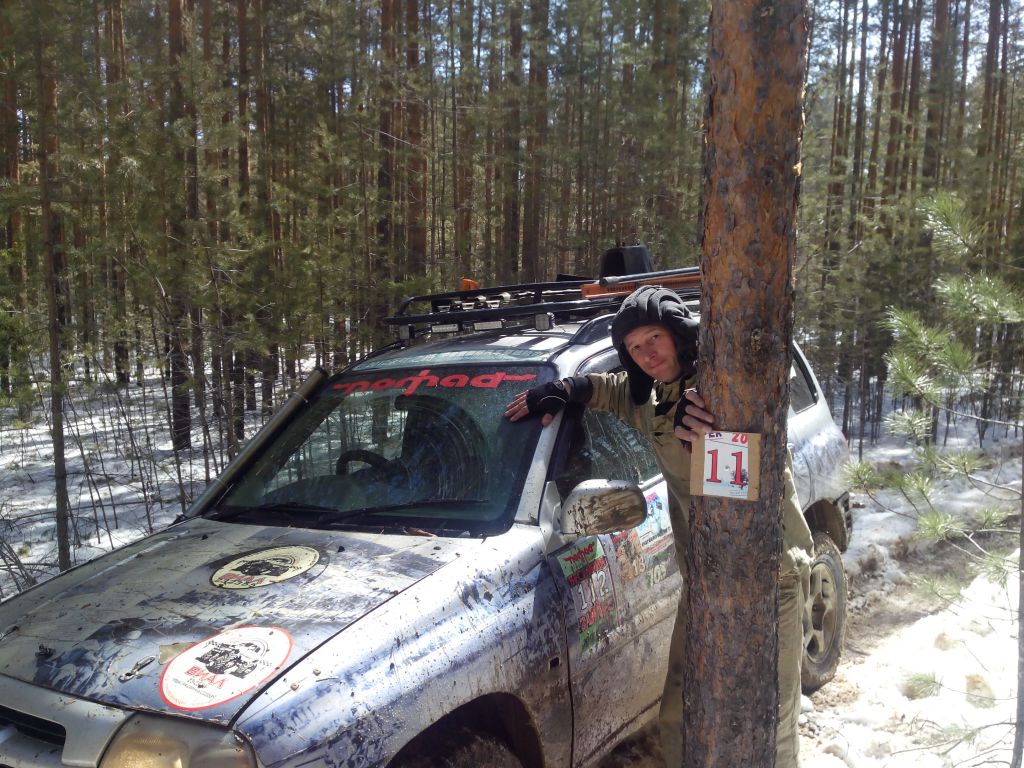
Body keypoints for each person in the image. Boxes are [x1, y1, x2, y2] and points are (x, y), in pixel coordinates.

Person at [505, 285, 812, 768]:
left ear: (679, 334)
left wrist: (717, 432)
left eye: (654, 338)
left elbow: (749, 483)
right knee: (681, 709)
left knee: (769, 717)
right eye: (633, 347)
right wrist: (567, 389)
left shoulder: (725, 387)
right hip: (705, 579)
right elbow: (615, 392)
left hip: (768, 577)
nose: (646, 354)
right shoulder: (657, 397)